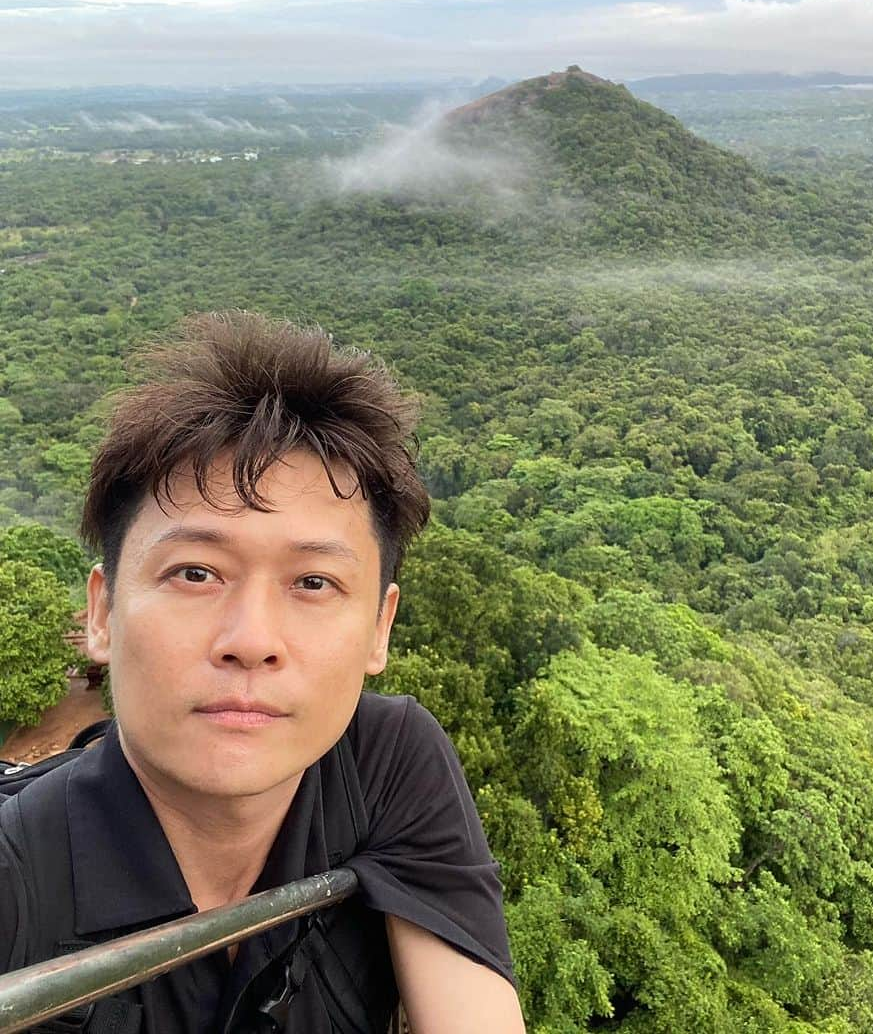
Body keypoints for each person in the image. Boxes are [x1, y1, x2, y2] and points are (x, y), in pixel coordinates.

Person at [0, 311, 527, 1033]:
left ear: (380, 627)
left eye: (313, 583)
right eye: (195, 572)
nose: (252, 641)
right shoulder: (17, 879)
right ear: (103, 613)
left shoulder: (382, 763)